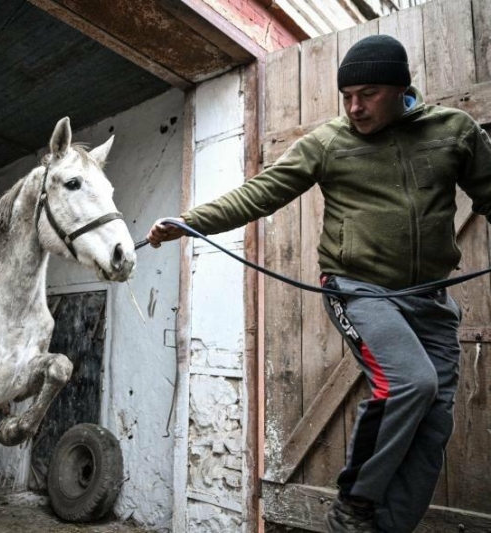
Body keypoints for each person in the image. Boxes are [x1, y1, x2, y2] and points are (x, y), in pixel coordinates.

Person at [147, 35, 491, 533]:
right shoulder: (329, 142)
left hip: (429, 298)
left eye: (367, 93)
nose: (354, 107)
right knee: (408, 383)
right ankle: (355, 501)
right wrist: (188, 221)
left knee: (435, 422)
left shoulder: (453, 131)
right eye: (346, 95)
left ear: (400, 88)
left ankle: (386, 526)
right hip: (359, 288)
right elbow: (260, 194)